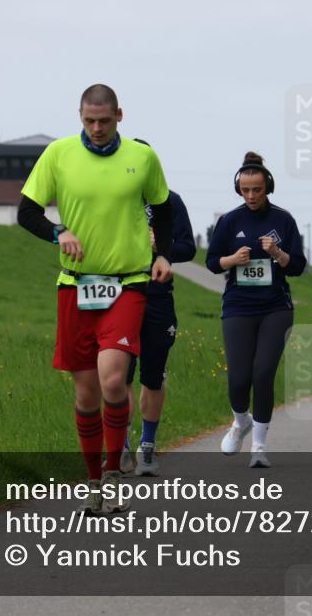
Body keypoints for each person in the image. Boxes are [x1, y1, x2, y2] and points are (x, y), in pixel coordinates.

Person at [18, 84, 172, 514]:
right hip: (76, 286)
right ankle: (92, 482)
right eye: (89, 120)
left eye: (104, 120)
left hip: (128, 283)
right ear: (80, 116)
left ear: (119, 116)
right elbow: (26, 211)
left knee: (113, 380)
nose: (97, 128)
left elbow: (163, 209)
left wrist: (162, 255)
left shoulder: (142, 158)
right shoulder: (59, 154)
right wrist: (58, 232)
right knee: (86, 395)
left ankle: (113, 472)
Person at [206, 152, 306, 468]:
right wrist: (232, 260)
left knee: (262, 374)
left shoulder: (283, 220)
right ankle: (241, 422)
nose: (251, 196)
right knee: (238, 379)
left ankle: (259, 447)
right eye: (245, 190)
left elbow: (298, 267)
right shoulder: (229, 221)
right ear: (238, 189)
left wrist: (278, 253)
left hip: (276, 307)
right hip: (238, 306)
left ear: (268, 188)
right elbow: (212, 262)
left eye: (257, 190)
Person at [119, 184, 196, 477]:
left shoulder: (170, 201)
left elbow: (188, 248)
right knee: (119, 374)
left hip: (158, 297)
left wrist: (162, 247)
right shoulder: (114, 196)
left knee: (153, 376)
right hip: (120, 294)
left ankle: (147, 445)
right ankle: (121, 447)